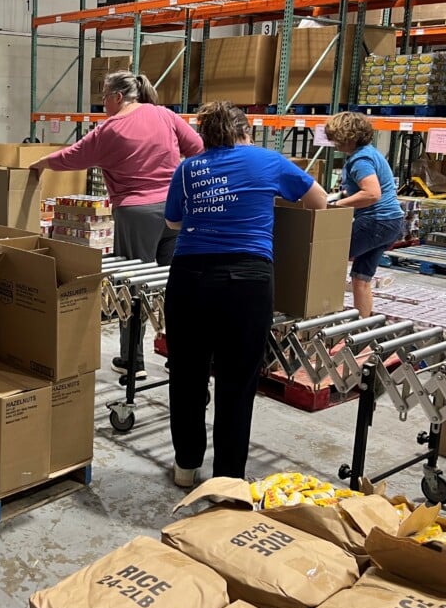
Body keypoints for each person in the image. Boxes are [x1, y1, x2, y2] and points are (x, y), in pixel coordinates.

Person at [163, 102, 327, 486]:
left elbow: (173, 221)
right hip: (248, 280)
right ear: (245, 133)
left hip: (190, 277)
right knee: (237, 380)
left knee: (187, 373)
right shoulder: (268, 161)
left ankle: (186, 466)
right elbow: (318, 200)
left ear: (205, 135)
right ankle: (228, 477)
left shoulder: (188, 168)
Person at [29, 70, 203, 380]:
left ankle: (131, 361)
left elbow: (73, 156)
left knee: (134, 287)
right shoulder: (164, 115)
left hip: (137, 214)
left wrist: (41, 163)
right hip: (177, 210)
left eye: (104, 99)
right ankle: (180, 358)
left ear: (117, 97)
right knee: (175, 286)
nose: (103, 105)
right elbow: (197, 148)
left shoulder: (111, 128)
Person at [324, 111, 405, 318]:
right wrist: (334, 196)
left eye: (336, 137)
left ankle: (321, 318)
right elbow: (361, 189)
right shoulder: (369, 153)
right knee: (361, 278)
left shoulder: (360, 159)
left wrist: (336, 206)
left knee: (325, 262)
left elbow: (371, 193)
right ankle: (362, 329)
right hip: (391, 222)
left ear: (348, 136)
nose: (334, 143)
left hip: (375, 221)